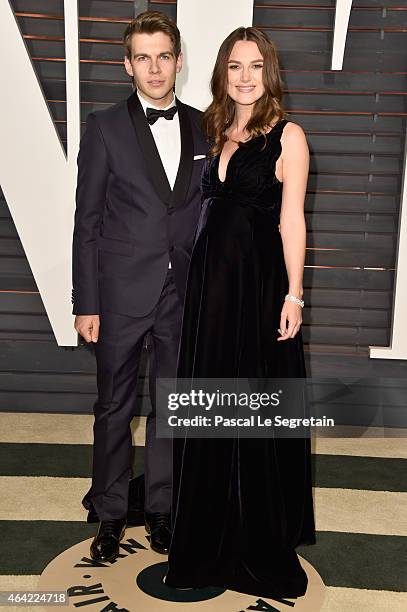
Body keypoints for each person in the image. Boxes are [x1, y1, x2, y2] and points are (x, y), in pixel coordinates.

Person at [165, 27, 316, 599]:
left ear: (269, 72)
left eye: (255, 66)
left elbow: (292, 221)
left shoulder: (289, 136)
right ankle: (206, 532)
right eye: (235, 66)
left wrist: (294, 294)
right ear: (222, 73)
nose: (245, 76)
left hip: (257, 293)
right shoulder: (215, 129)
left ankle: (256, 539)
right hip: (210, 294)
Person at [71, 11, 208, 562]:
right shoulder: (103, 126)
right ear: (128, 64)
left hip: (183, 296)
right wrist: (88, 301)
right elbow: (87, 221)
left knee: (172, 408)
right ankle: (108, 516)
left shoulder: (205, 124)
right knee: (114, 408)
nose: (155, 68)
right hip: (121, 295)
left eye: (164, 56)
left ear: (178, 60)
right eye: (143, 57)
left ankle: (161, 510)